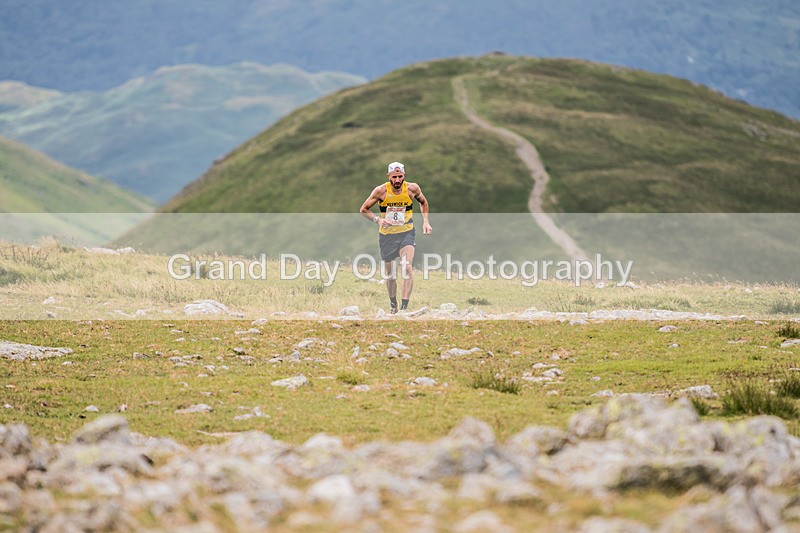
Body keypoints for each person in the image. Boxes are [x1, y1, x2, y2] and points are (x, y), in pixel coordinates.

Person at [360, 161, 432, 314]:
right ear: (389, 177)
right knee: (391, 275)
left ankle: (404, 308)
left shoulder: (412, 188)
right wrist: (378, 220)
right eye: (394, 177)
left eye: (400, 176)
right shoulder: (381, 191)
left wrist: (426, 221)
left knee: (407, 267)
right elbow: (364, 209)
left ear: (404, 175)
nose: (398, 180)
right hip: (387, 236)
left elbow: (424, 202)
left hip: (407, 232)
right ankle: (393, 306)